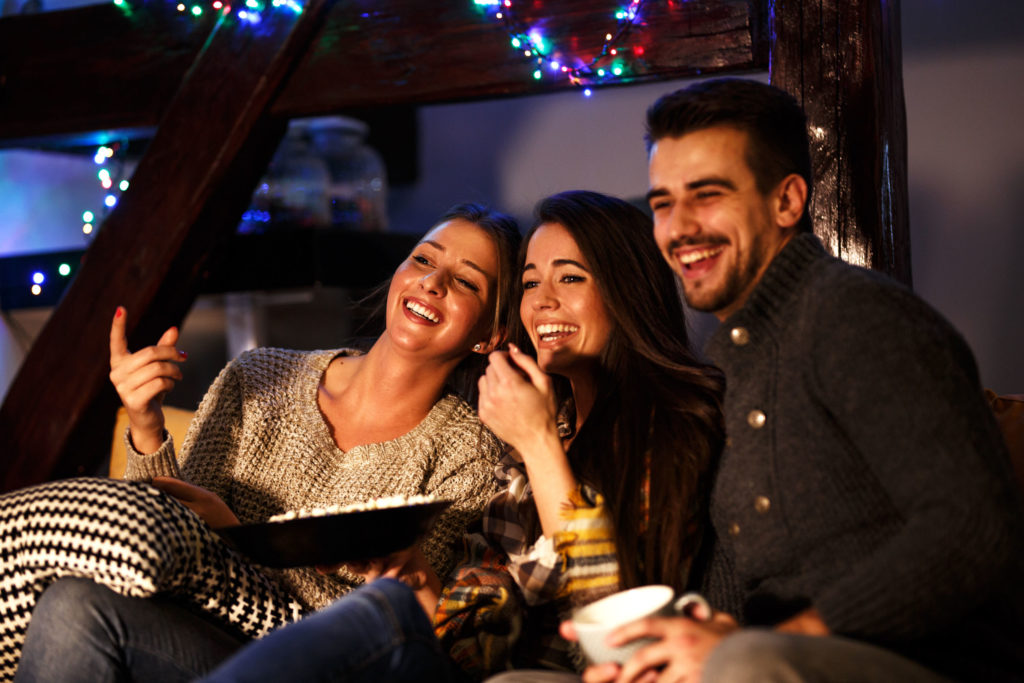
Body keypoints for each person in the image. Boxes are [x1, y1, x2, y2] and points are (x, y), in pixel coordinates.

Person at [563, 78, 1024, 682]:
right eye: (663, 203)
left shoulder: (856, 316)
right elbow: (736, 588)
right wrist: (668, 654)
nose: (679, 227)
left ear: (787, 202)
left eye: (707, 195)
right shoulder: (731, 360)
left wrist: (772, 641)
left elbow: (973, 532)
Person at [192, 190, 725, 682]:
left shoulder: (668, 425)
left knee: (381, 614)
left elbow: (611, 632)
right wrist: (417, 575)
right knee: (107, 615)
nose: (541, 302)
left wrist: (540, 447)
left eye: (569, 278)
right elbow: (472, 648)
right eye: (531, 283)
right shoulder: (529, 444)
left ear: (626, 289)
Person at [1, 203, 522, 683]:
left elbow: (381, 622)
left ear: (491, 335)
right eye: (423, 259)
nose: (433, 282)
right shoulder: (256, 376)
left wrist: (239, 538)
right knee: (69, 598)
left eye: (465, 283)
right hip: (187, 633)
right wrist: (145, 424)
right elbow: (160, 546)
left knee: (76, 612)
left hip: (307, 665)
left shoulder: (470, 454)